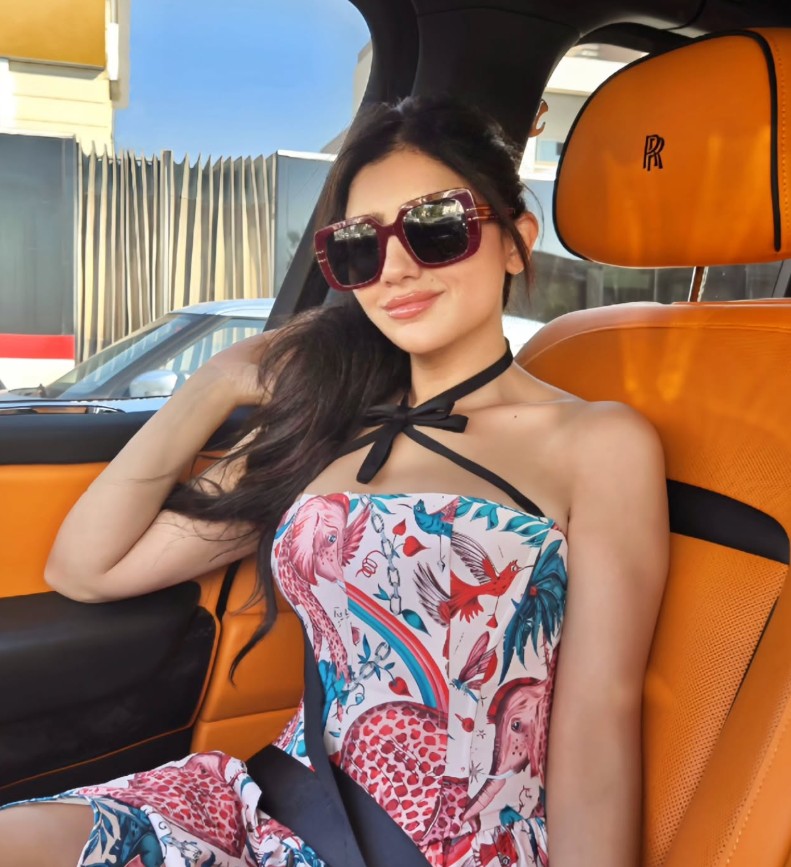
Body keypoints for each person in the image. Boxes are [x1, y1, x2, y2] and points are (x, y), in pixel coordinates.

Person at [0, 96, 669, 867]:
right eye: (358, 247)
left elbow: (597, 725)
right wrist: (216, 383)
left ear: (516, 240)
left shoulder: (596, 442)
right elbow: (86, 567)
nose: (395, 269)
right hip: (265, 804)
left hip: (445, 845)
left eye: (436, 227)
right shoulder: (329, 426)